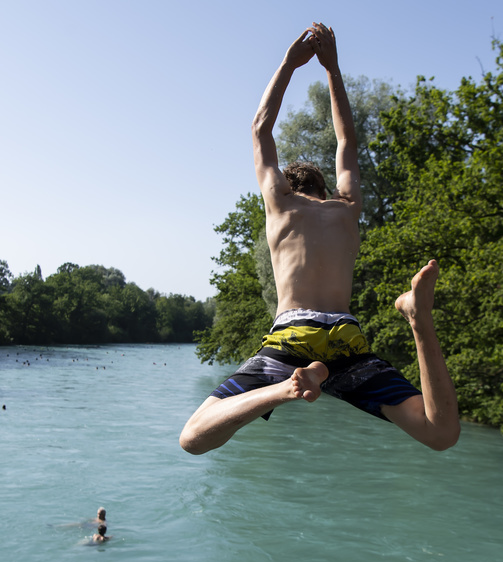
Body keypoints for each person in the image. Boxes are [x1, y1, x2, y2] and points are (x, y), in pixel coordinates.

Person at [179, 22, 460, 455]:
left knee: (193, 438)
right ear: (326, 191)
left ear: (287, 187)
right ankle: (418, 317)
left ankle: (284, 390)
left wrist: (290, 63)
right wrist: (332, 69)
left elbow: (260, 129)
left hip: (292, 333)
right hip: (346, 337)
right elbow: (346, 138)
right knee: (440, 434)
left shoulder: (282, 205)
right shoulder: (346, 208)